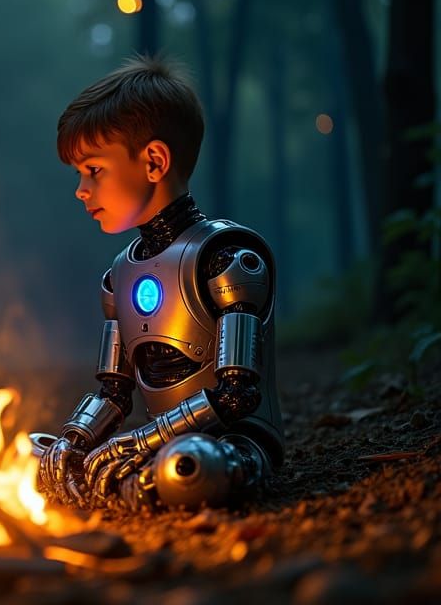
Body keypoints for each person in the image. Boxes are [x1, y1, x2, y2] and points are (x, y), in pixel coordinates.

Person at [34, 55, 283, 511]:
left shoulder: (225, 259)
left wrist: (143, 440)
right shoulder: (119, 275)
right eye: (79, 174)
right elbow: (114, 391)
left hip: (227, 445)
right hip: (155, 447)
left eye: (93, 169)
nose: (81, 190)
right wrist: (71, 442)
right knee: (35, 454)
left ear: (153, 161)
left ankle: (144, 480)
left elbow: (237, 394)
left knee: (186, 467)